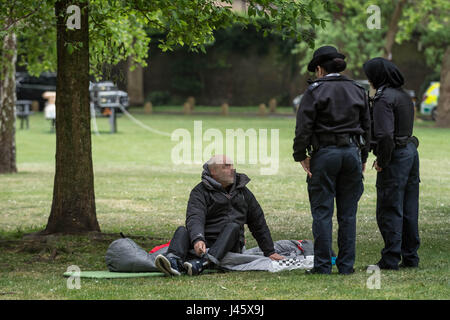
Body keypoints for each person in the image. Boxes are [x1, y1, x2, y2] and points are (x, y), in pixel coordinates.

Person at [293, 45, 371, 275]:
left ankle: (323, 266)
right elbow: (367, 127)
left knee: (322, 212)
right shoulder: (358, 89)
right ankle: (346, 266)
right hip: (352, 153)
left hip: (325, 154)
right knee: (348, 214)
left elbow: (303, 128)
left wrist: (300, 155)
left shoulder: (315, 91)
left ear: (319, 69)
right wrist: (363, 156)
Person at [155, 155, 284, 276]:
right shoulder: (199, 192)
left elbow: (258, 222)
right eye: (226, 166)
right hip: (205, 241)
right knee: (182, 230)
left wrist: (270, 251)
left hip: (231, 243)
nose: (232, 169)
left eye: (232, 165)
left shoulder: (244, 193)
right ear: (213, 172)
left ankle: (204, 262)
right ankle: (172, 260)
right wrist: (198, 238)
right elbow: (195, 217)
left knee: (233, 227)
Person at [363, 57, 420, 270]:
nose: (369, 80)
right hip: (411, 153)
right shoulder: (404, 96)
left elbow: (385, 135)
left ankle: (390, 258)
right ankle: (411, 256)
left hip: (396, 156)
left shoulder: (383, 98)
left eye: (370, 75)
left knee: (389, 207)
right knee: (409, 207)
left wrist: (382, 161)